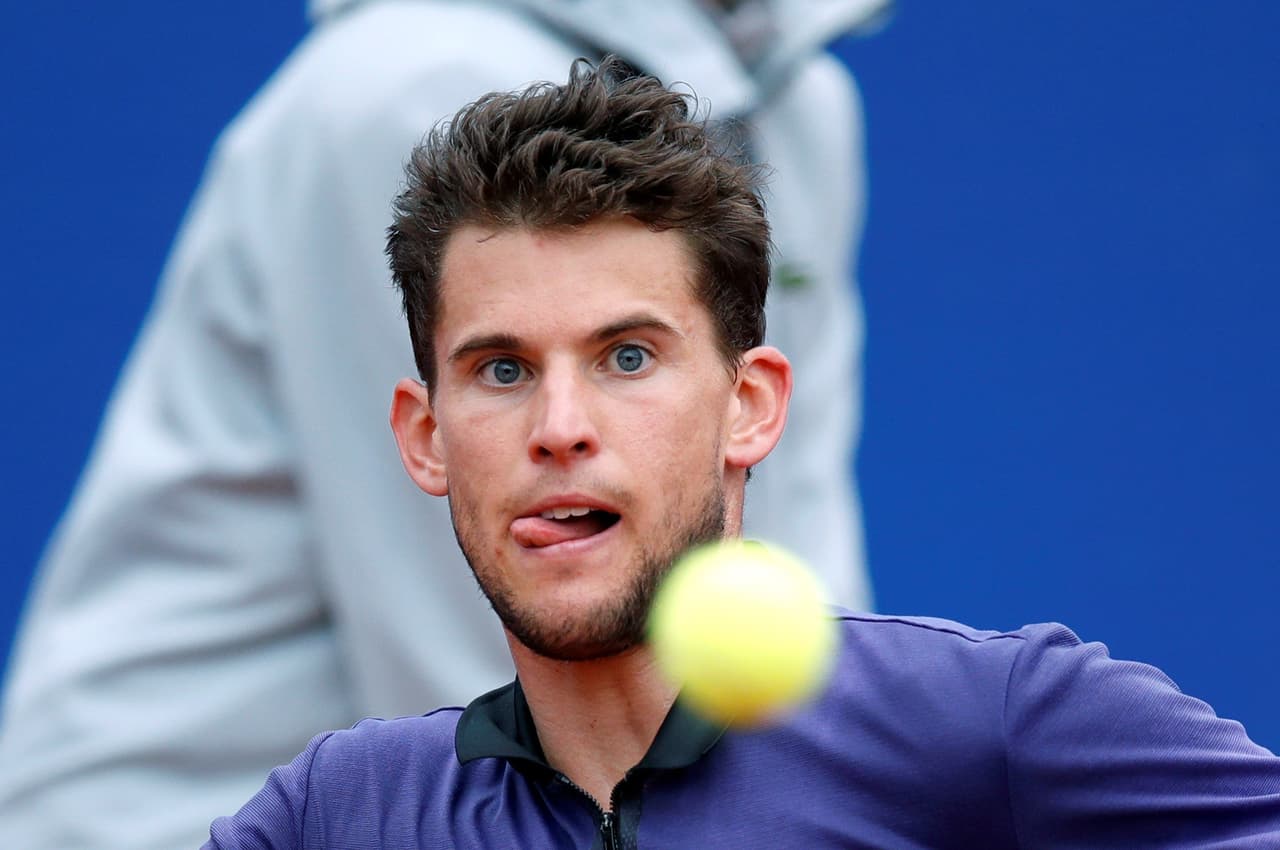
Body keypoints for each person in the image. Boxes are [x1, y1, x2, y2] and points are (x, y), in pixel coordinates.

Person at [203, 59, 1280, 849]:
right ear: (425, 436)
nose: (558, 425)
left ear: (749, 407)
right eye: (501, 368)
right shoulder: (341, 814)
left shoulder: (992, 725)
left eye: (627, 357)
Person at [0, 2, 885, 848]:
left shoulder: (804, 106)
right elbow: (500, 699)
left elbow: (798, 540)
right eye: (504, 370)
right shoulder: (414, 82)